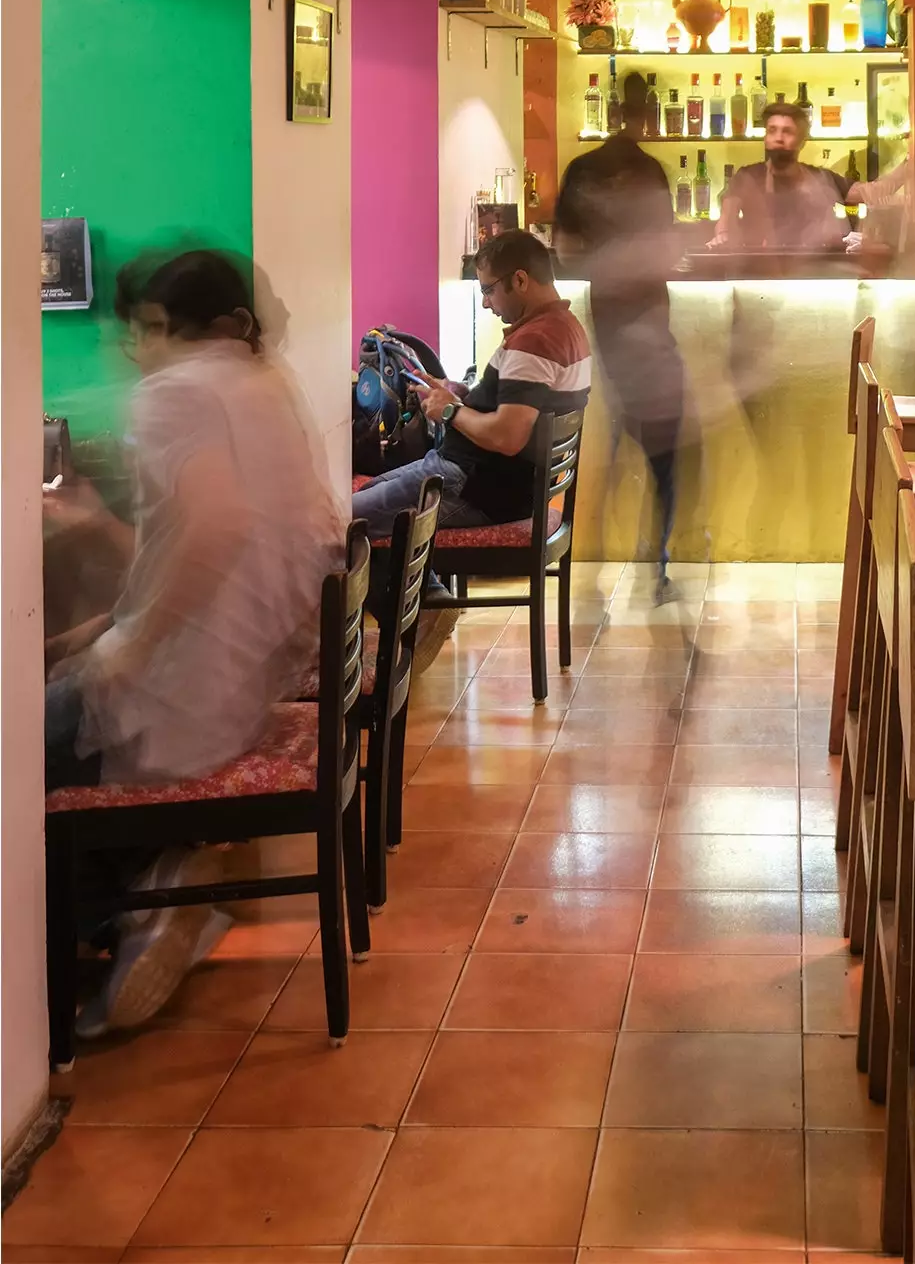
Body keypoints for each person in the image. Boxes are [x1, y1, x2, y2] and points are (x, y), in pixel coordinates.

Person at [43, 248, 344, 1036]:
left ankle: (122, 913)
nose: (131, 349)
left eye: (141, 328)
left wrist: (129, 653)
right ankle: (152, 879)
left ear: (173, 327)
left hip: (185, 696)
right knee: (53, 698)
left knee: (21, 746)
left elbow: (216, 526)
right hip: (248, 683)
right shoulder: (266, 385)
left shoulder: (172, 394)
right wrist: (106, 625)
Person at [352, 229, 590, 539]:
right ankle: (430, 588)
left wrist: (450, 411)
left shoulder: (534, 342)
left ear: (519, 280)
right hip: (488, 483)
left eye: (489, 290)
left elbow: (508, 437)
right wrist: (461, 395)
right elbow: (519, 408)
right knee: (369, 489)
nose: (486, 304)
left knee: (341, 521)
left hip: (474, 488)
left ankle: (427, 586)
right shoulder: (565, 328)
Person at [554, 72, 685, 597]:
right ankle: (655, 563)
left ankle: (589, 555)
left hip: (605, 318)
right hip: (649, 321)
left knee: (607, 434)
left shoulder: (583, 169)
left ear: (611, 113)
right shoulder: (652, 171)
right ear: (645, 115)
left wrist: (603, 266)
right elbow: (668, 248)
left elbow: (564, 247)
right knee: (665, 446)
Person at [713, 101, 850, 251]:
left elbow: (862, 192)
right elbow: (727, 214)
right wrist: (722, 235)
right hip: (758, 267)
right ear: (765, 138)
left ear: (802, 141)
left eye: (787, 132)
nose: (778, 138)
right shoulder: (748, 176)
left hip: (809, 268)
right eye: (772, 130)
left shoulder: (820, 177)